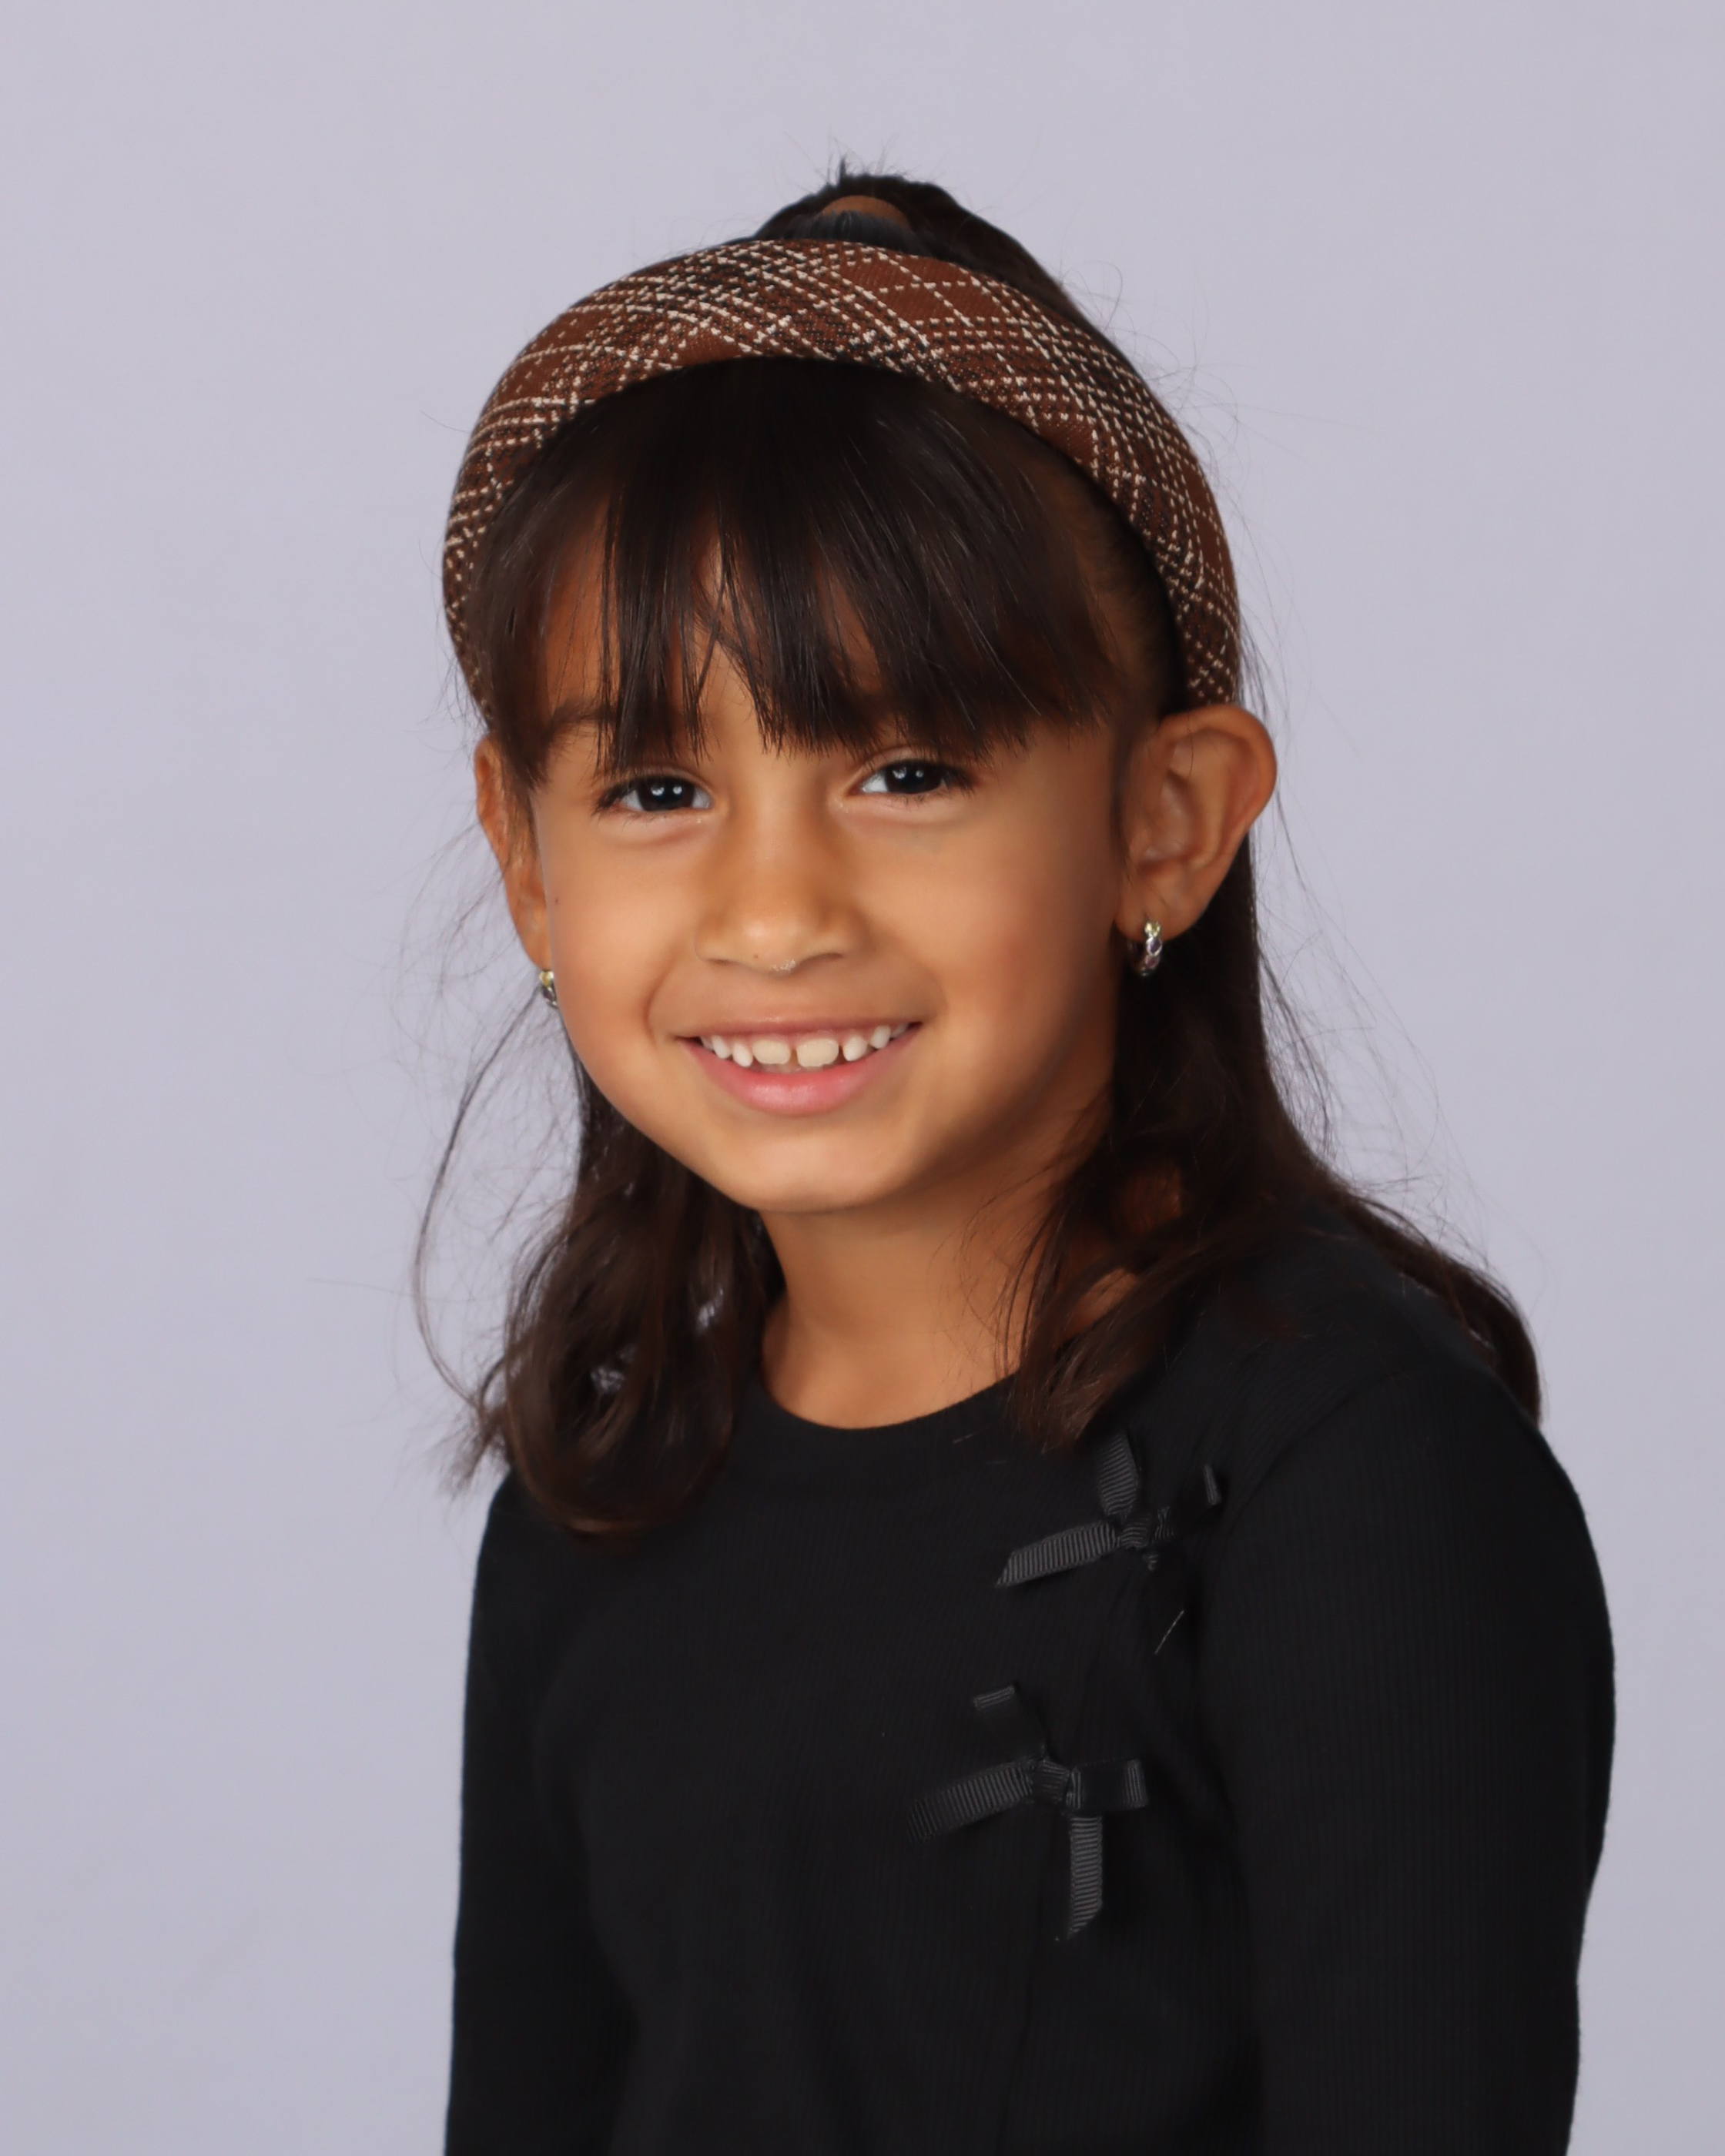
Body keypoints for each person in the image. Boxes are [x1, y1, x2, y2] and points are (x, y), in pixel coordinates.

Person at [430, 172, 1613, 2154]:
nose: (774, 911)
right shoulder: (605, 1488)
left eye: (906, 772)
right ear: (527, 860)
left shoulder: (1355, 1481)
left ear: (1166, 819)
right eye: (658, 785)